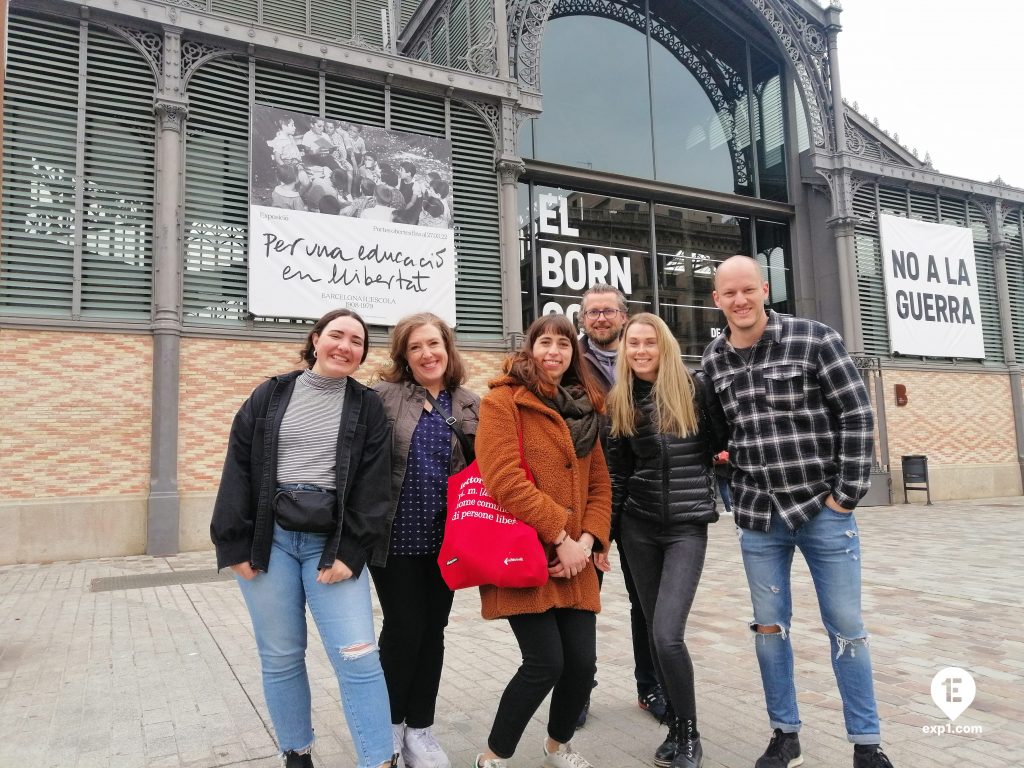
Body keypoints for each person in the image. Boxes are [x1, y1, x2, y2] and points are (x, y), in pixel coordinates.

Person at [702, 256, 894, 768]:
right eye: (729, 293)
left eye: (748, 289)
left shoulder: (814, 339)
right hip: (760, 520)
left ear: (765, 289)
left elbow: (856, 411)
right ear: (716, 299)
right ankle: (785, 734)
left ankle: (867, 744)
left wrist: (846, 494)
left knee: (846, 627)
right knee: (769, 628)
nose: (740, 301)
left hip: (823, 513)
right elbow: (718, 433)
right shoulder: (714, 359)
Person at [210, 308, 396, 768]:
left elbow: (374, 485)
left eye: (357, 341)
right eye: (337, 335)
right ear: (315, 339)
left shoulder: (368, 406)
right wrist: (232, 544)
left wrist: (352, 552)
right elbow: (238, 466)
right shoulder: (271, 394)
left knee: (358, 658)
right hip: (267, 542)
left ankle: (379, 760)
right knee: (281, 656)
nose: (345, 346)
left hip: (332, 545)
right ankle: (296, 753)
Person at [472, 314, 612, 768]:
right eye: (544, 342)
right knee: (544, 663)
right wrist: (559, 535)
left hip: (577, 558)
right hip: (527, 554)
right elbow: (503, 479)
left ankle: (557, 746)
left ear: (575, 353)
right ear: (530, 348)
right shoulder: (502, 401)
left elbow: (600, 486)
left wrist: (587, 540)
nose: (554, 351)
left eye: (564, 344)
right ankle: (493, 755)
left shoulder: (587, 407)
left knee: (582, 666)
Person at [607, 313, 725, 768]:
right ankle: (675, 728)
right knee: (656, 634)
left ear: (664, 346)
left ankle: (690, 737)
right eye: (632, 343)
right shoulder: (620, 400)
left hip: (685, 528)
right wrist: (606, 538)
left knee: (667, 634)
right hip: (638, 528)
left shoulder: (695, 389)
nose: (640, 350)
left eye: (648, 342)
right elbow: (617, 473)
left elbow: (721, 441)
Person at [371, 313, 479, 768]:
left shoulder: (472, 403)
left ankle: (421, 729)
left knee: (432, 632)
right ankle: (389, 728)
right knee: (402, 631)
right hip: (395, 538)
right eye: (415, 347)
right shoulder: (382, 397)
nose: (427, 354)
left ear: (447, 348)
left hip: (446, 541)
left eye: (433, 344)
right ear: (404, 356)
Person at [577, 285, 667, 725]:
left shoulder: (646, 361)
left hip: (637, 496)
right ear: (582, 319)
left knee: (645, 600)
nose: (599, 319)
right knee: (582, 597)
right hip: (584, 493)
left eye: (608, 311)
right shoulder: (569, 361)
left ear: (623, 316)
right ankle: (578, 690)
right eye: (592, 312)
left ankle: (650, 688)